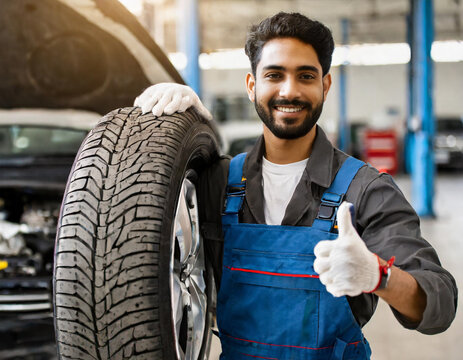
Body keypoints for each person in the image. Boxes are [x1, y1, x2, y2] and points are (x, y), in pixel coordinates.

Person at [135, 12, 457, 360]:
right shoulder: (217, 182)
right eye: (274, 75)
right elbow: (136, 223)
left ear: (325, 86)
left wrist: (378, 276)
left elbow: (439, 303)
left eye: (305, 76)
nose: (289, 90)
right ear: (251, 85)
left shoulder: (366, 190)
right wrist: (170, 125)